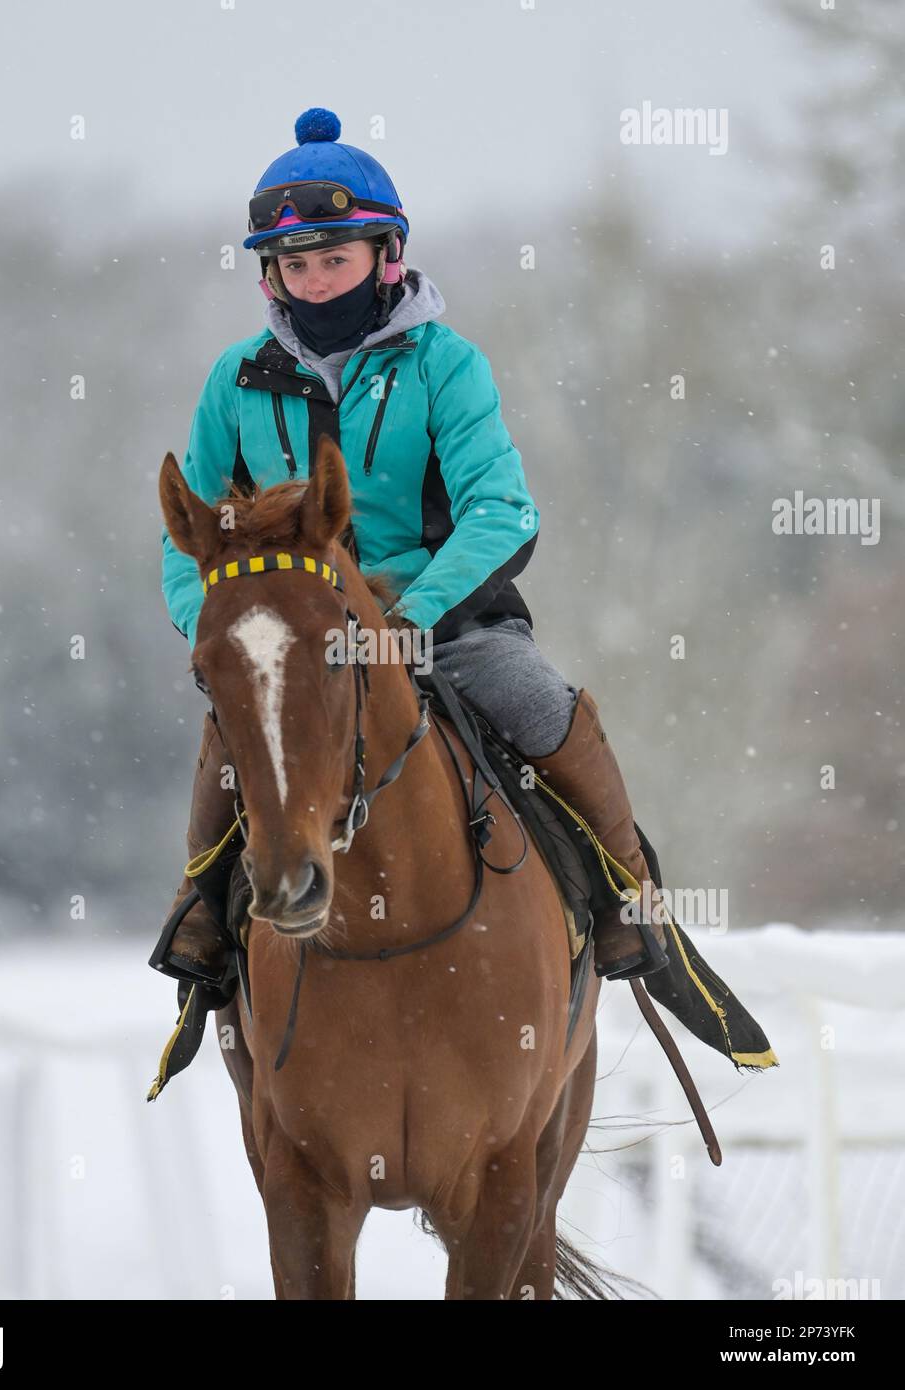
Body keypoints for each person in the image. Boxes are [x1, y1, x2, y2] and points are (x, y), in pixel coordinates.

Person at [149, 107, 667, 1006]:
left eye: (334, 260)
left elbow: (501, 513)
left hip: (444, 623)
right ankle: (201, 909)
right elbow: (184, 533)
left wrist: (403, 621)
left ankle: (630, 895)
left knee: (541, 706)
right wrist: (219, 636)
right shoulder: (232, 382)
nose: (313, 283)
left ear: (385, 256)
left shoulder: (446, 364)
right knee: (231, 743)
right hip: (294, 640)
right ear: (271, 272)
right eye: (295, 266)